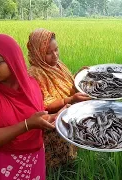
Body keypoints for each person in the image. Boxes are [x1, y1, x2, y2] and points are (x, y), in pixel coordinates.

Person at [0, 34, 66, 180]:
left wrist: (56, 117)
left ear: (13, 61)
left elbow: (37, 117)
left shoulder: (32, 85)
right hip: (2, 165)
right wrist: (26, 125)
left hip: (34, 160)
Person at [27, 28, 91, 171]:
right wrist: (69, 100)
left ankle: (70, 165)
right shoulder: (34, 73)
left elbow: (67, 84)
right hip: (50, 120)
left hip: (67, 111)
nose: (55, 55)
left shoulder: (57, 65)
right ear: (37, 53)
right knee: (59, 162)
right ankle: (57, 171)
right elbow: (45, 103)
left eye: (56, 50)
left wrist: (80, 76)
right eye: (48, 53)